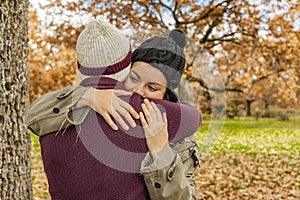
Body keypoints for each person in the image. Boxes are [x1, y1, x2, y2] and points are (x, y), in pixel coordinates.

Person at [28, 19, 201, 199]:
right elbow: (34, 114)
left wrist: (161, 153)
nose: (137, 91)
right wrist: (86, 95)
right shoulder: (94, 103)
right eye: (133, 78)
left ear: (167, 95)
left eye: (152, 88)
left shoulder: (181, 136)